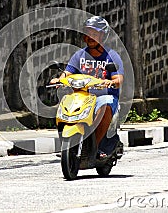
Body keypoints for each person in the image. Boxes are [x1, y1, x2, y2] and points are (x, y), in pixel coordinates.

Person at [50, 16, 124, 158]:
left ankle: (96, 146)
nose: (90, 37)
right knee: (64, 106)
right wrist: (58, 80)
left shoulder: (111, 56)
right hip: (83, 96)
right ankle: (67, 144)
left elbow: (118, 77)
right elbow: (67, 72)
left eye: (94, 34)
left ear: (103, 35)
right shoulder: (79, 55)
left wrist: (111, 82)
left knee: (105, 105)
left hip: (103, 96)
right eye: (88, 33)